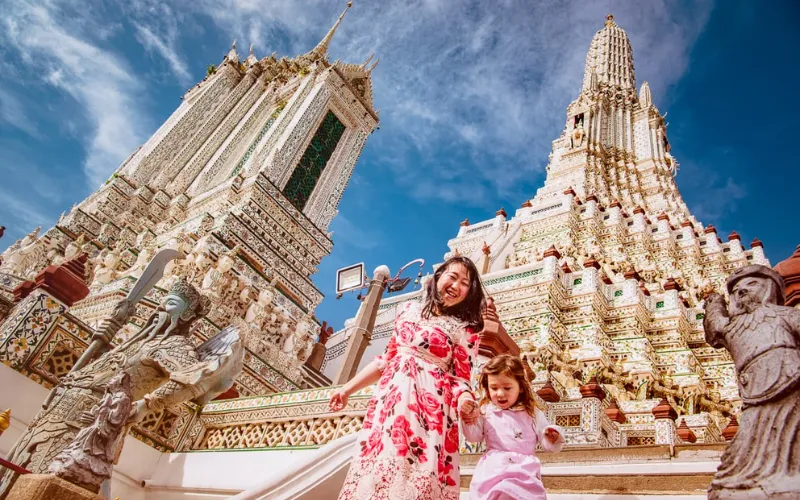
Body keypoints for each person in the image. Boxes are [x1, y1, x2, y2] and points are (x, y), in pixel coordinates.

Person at [329, 256, 487, 499]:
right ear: (438, 276)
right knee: (377, 478)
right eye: (452, 277)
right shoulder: (408, 310)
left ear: (469, 293)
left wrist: (466, 400)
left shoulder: (464, 329)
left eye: (464, 283)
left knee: (414, 481)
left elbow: (461, 379)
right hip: (389, 406)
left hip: (429, 414)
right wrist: (346, 390)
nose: (456, 285)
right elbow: (385, 360)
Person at [461, 354, 565, 500]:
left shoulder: (532, 413)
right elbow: (474, 437)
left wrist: (551, 436)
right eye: (494, 388)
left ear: (521, 387)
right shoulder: (486, 411)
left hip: (523, 470)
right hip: (493, 469)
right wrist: (469, 419)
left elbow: (546, 439)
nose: (500, 393)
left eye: (507, 387)